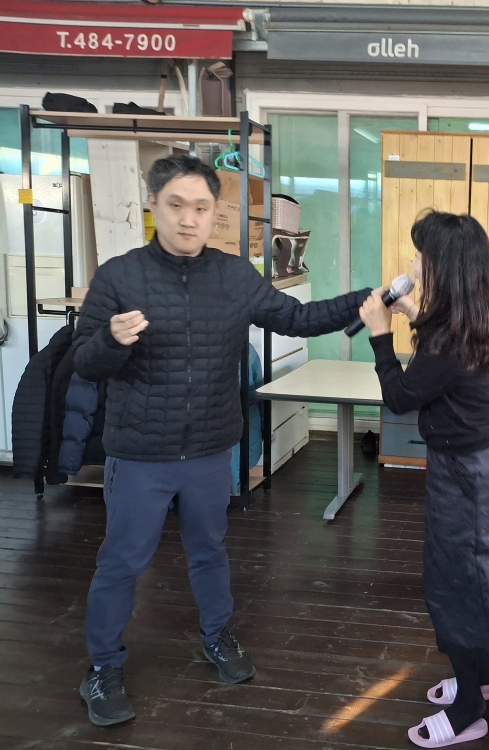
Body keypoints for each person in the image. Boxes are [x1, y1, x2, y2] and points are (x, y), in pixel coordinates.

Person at [74, 155, 371, 727]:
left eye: (201, 208)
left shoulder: (235, 277)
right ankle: (102, 667)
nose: (188, 219)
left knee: (209, 550)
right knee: (122, 561)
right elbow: (86, 364)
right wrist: (111, 339)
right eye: (175, 205)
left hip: (211, 449)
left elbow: (299, 318)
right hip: (139, 454)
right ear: (153, 206)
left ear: (216, 214)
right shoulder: (119, 276)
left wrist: (366, 299)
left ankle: (217, 635)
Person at [359, 211, 489, 748]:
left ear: (444, 267)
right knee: (483, 571)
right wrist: (412, 312)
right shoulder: (478, 315)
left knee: (459, 580)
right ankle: (479, 677)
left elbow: (400, 397)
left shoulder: (447, 341)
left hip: (470, 473)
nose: (413, 264)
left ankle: (468, 709)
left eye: (421, 257)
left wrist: (380, 336)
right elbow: (444, 352)